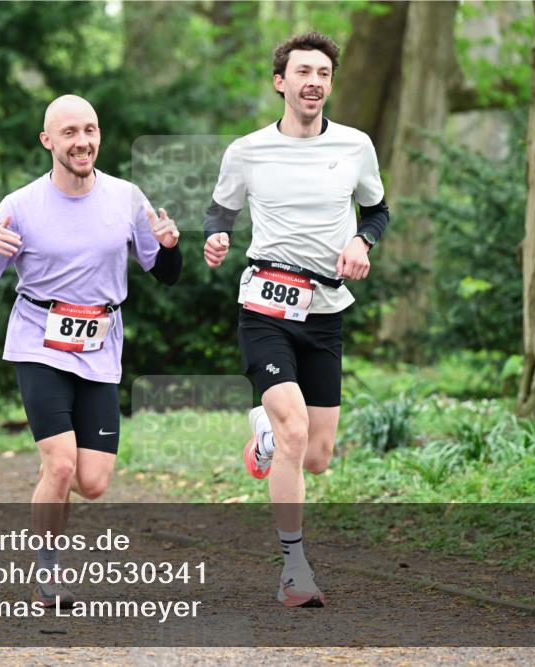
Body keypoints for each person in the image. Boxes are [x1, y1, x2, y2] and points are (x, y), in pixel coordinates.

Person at [0, 94, 182, 607]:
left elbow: (166, 276)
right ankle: (48, 574)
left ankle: (49, 481)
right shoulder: (20, 206)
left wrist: (171, 247)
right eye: (69, 133)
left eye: (90, 130)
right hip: (39, 339)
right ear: (48, 141)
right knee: (60, 465)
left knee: (93, 482)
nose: (82, 142)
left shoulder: (127, 197)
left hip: (100, 345)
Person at [202, 32, 390, 607]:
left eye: (324, 73)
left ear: (330, 83)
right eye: (303, 71)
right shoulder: (247, 150)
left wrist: (363, 240)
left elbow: (378, 209)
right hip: (266, 305)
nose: (314, 81)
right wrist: (215, 234)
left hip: (327, 311)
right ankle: (293, 567)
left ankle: (263, 437)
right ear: (281, 81)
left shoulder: (356, 145)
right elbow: (221, 207)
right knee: (294, 430)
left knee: (316, 455)